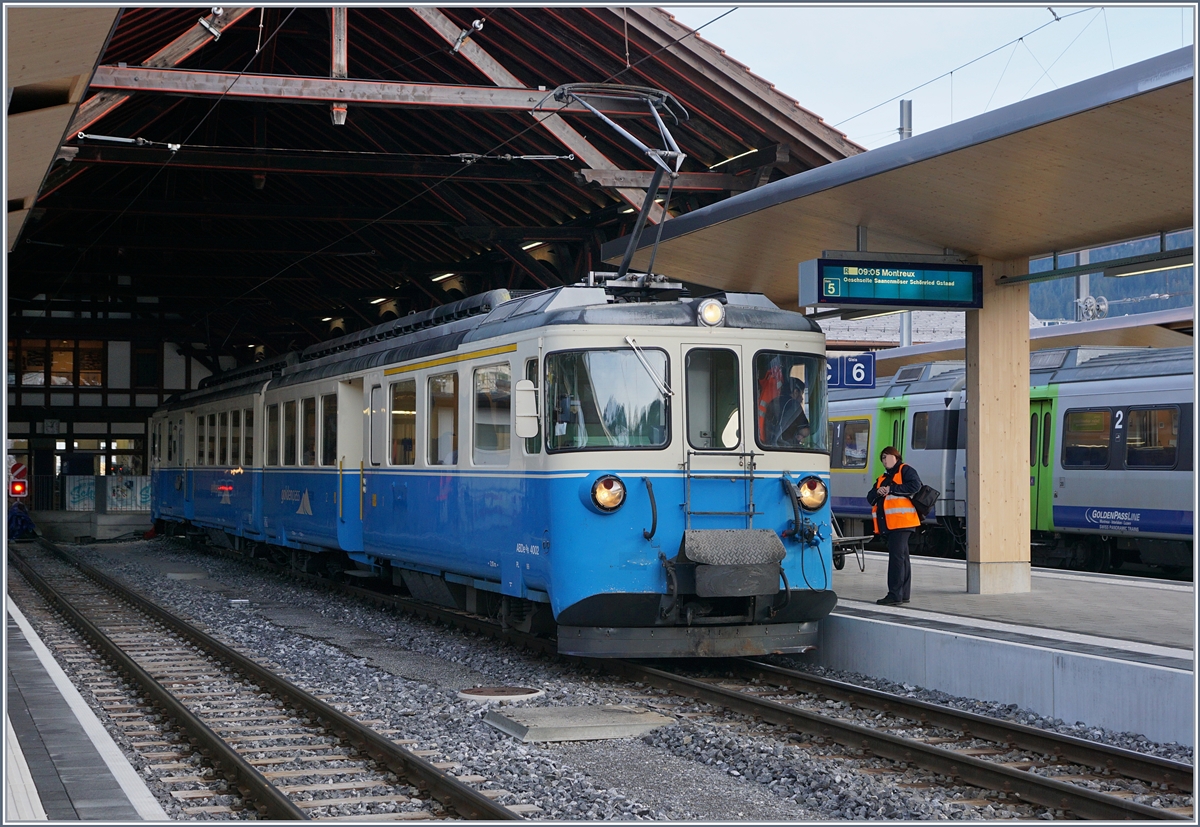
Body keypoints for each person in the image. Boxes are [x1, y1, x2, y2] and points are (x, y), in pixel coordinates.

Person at [865, 446, 922, 606]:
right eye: (882, 458)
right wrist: (879, 492)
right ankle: (903, 594)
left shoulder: (905, 470)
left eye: (888, 456)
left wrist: (892, 489)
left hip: (902, 522)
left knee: (896, 558)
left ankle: (894, 594)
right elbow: (870, 497)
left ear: (896, 457)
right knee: (902, 558)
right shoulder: (882, 478)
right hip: (891, 524)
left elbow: (915, 486)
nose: (885, 460)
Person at [763, 376, 810, 446]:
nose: (802, 398)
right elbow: (804, 431)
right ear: (795, 392)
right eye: (801, 393)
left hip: (768, 444)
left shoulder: (774, 402)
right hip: (785, 446)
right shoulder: (794, 405)